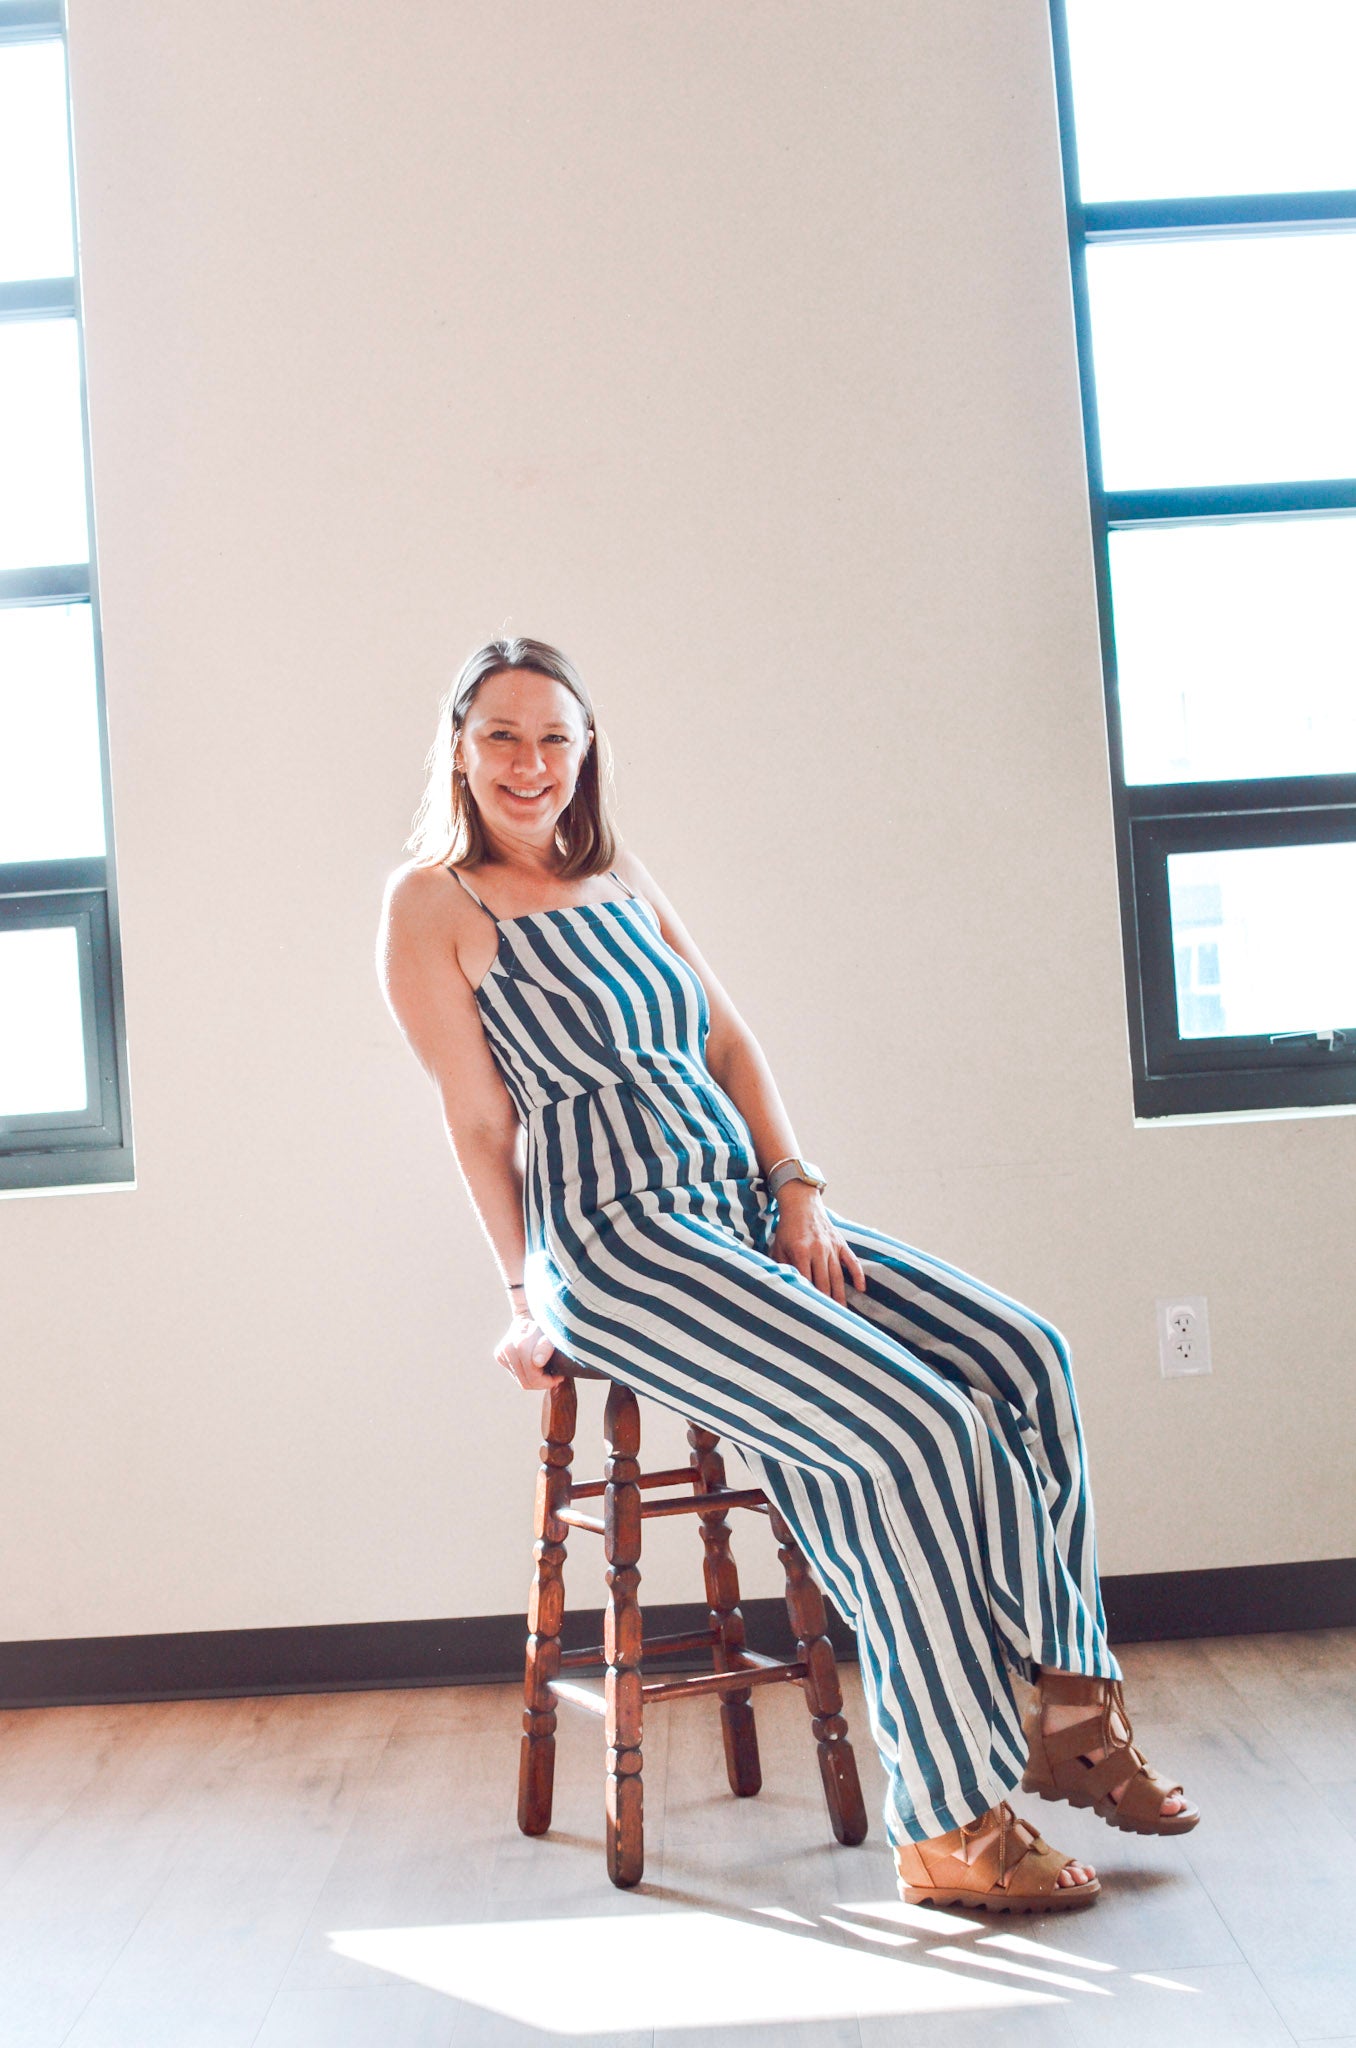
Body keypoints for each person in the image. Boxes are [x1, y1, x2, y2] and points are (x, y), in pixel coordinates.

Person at [377, 634, 1200, 1914]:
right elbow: (479, 1125)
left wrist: (799, 1182)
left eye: (555, 736)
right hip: (626, 1242)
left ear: (585, 750)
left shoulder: (617, 875)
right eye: (501, 735)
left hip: (745, 1209)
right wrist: (522, 1296)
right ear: (459, 746)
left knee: (1025, 1353)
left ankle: (1072, 1704)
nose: (529, 763)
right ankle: (947, 1821)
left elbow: (729, 1037)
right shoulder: (434, 903)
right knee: (914, 1427)